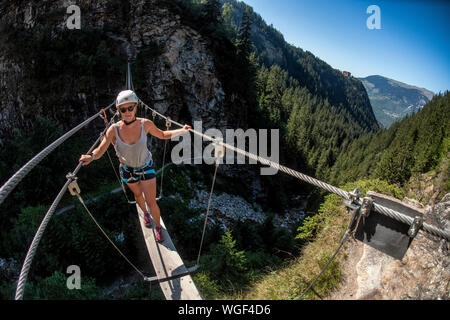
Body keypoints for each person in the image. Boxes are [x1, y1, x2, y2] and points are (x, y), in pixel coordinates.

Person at [79, 90, 191, 242]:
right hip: (127, 169)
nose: (127, 112)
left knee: (152, 202)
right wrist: (91, 157)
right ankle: (145, 213)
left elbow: (163, 134)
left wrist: (182, 131)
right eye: (123, 109)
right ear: (118, 111)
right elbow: (101, 149)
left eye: (130, 108)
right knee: (138, 196)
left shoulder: (146, 124)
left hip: (146, 167)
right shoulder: (114, 129)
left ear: (136, 107)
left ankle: (157, 226)